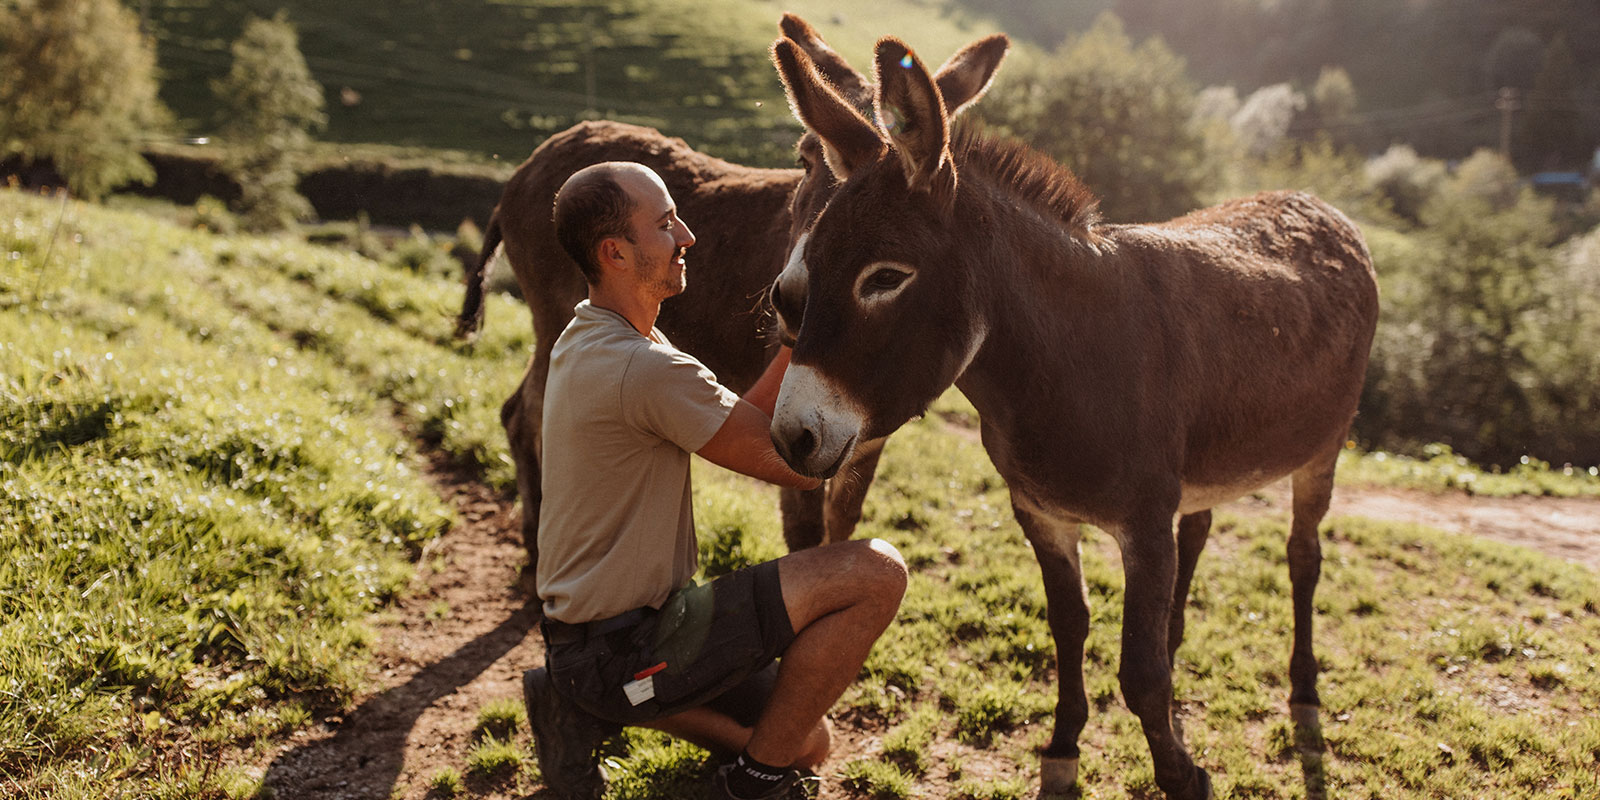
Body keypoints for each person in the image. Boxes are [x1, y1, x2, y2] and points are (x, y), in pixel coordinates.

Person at [523, 161, 908, 800]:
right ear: (615, 252)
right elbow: (797, 468)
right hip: (626, 643)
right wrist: (885, 377)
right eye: (665, 223)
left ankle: (579, 702)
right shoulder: (643, 369)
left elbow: (745, 422)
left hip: (612, 634)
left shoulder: (592, 337)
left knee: (810, 743)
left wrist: (797, 333)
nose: (687, 236)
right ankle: (750, 786)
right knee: (876, 574)